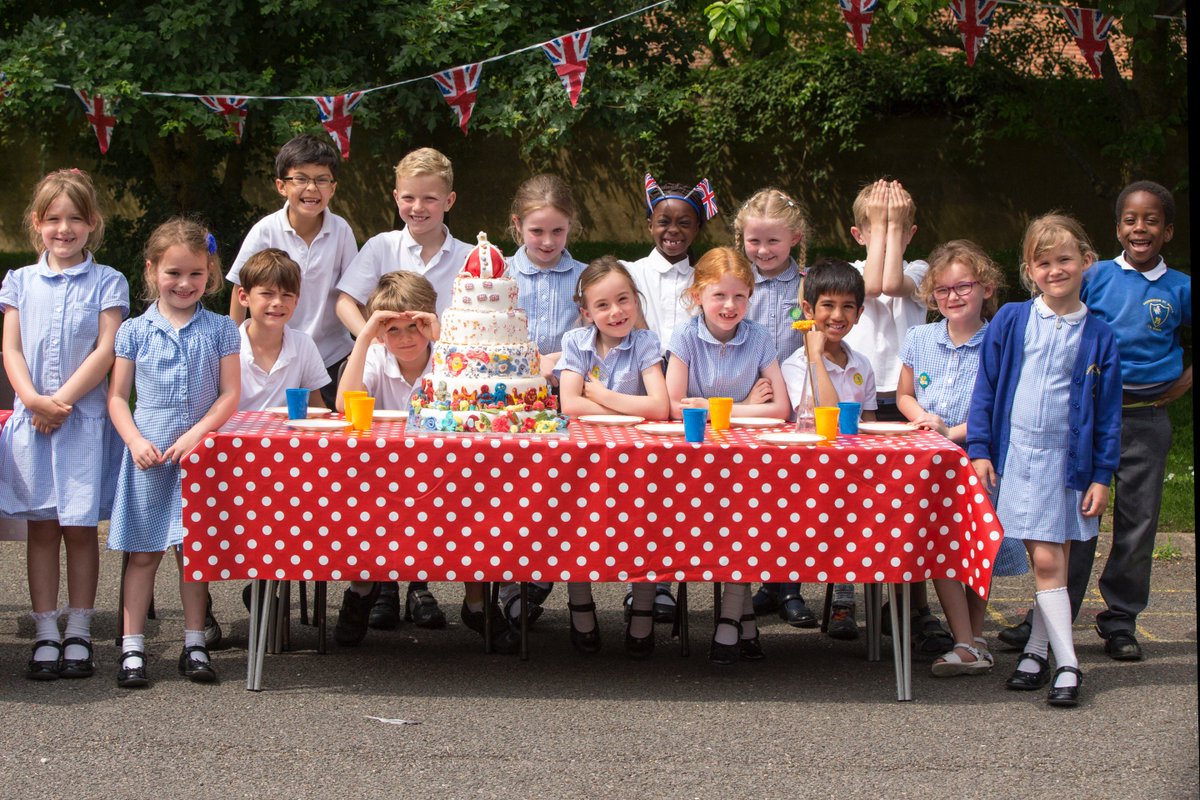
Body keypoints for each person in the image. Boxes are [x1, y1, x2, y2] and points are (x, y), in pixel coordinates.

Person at [999, 181, 1191, 661]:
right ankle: (1051, 618)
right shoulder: (1097, 275)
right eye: (1130, 220)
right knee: (1075, 522)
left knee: (1138, 523)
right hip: (1083, 421)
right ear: (1117, 228)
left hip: (1146, 418)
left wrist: (1183, 383)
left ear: (1167, 231)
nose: (1139, 228)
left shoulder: (1181, 288)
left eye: (1151, 221)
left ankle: (1121, 620)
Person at [967, 213, 1122, 707]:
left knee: (1058, 558)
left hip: (1069, 464)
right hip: (1021, 460)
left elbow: (1108, 416)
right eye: (1043, 262)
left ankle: (1041, 655)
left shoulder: (1099, 335)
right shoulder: (1012, 319)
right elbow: (986, 388)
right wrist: (979, 449)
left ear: (1086, 263)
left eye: (1065, 260)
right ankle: (1066, 662)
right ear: (1030, 270)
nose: (1055, 270)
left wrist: (1102, 475)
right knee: (1048, 559)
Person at [333, 273, 520, 653]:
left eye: (414, 328)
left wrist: (443, 338)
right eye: (394, 330)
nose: (405, 338)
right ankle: (362, 589)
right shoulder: (375, 354)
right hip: (384, 479)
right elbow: (343, 405)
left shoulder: (449, 357)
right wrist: (366, 336)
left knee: (474, 513)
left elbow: (479, 395)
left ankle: (476, 603)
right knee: (359, 510)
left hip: (446, 476)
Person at [0, 169, 128, 680]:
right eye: (53, 219)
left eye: (75, 218)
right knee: (42, 529)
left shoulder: (108, 281)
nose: (64, 228)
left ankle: (79, 628)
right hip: (34, 420)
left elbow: (107, 348)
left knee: (79, 529)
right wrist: (32, 400)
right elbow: (10, 346)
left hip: (82, 422)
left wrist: (63, 402)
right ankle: (46, 630)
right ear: (37, 224)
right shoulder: (19, 281)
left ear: (92, 223)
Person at [107, 218, 241, 688]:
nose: (185, 284)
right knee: (143, 554)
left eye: (196, 275)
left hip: (197, 459)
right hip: (149, 457)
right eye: (173, 274)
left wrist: (197, 436)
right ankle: (132, 648)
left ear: (211, 274)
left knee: (194, 552)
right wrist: (135, 441)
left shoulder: (223, 329)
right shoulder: (133, 332)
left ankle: (195, 642)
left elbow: (229, 395)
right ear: (152, 271)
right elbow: (117, 398)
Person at [896, 240, 1020, 676]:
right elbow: (905, 393)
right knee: (944, 549)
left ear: (985, 288)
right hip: (931, 461)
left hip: (977, 457)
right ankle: (966, 640)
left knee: (974, 548)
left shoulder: (999, 342)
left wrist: (953, 431)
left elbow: (1000, 409)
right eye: (943, 290)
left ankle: (975, 636)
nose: (953, 297)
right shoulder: (920, 337)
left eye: (963, 287)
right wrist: (922, 419)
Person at [665, 247, 791, 664]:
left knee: (748, 527)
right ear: (697, 294)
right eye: (719, 295)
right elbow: (673, 406)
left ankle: (732, 618)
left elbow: (780, 409)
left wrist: (714, 405)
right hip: (695, 459)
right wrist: (743, 404)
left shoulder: (757, 337)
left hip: (747, 459)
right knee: (713, 534)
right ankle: (744, 623)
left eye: (740, 296)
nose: (730, 305)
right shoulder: (685, 337)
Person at [841, 178, 950, 655]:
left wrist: (888, 223)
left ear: (913, 234)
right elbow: (871, 286)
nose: (888, 233)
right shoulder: (847, 270)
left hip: (905, 399)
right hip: (859, 397)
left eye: (902, 228)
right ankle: (844, 592)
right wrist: (887, 221)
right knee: (850, 496)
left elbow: (890, 283)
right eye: (875, 226)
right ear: (857, 233)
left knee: (908, 506)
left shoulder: (923, 269)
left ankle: (912, 605)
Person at [556, 256, 669, 657]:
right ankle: (580, 607)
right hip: (585, 459)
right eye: (602, 305)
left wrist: (602, 396)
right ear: (586, 312)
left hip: (639, 460)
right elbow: (569, 404)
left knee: (642, 529)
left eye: (623, 300)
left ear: (636, 301)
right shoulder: (575, 343)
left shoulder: (646, 343)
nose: (616, 312)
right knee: (578, 526)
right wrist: (629, 412)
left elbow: (659, 407)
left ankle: (642, 611)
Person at [621, 173, 719, 623]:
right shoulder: (631, 272)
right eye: (664, 221)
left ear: (698, 229)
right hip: (638, 385)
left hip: (686, 387)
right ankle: (639, 583)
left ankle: (664, 580)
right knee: (638, 488)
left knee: (675, 490)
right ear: (648, 225)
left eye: (684, 223)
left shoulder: (706, 277)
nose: (673, 231)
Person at [496, 174, 588, 624]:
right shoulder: (500, 276)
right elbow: (489, 340)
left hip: (573, 399)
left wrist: (561, 361)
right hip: (513, 405)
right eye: (537, 231)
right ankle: (514, 584)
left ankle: (550, 576)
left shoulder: (585, 277)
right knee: (517, 496)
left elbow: (600, 335)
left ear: (571, 226)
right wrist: (539, 361)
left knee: (564, 495)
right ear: (517, 226)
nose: (548, 240)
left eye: (558, 230)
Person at [781, 258, 877, 641]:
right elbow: (829, 415)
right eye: (828, 306)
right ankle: (790, 590)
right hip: (808, 473)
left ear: (859, 312)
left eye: (848, 307)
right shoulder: (795, 364)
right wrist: (815, 356)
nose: (837, 316)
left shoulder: (862, 364)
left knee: (859, 508)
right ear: (808, 310)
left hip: (852, 472)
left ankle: (844, 598)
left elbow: (867, 421)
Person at [735, 187, 818, 629]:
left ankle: (787, 588)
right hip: (747, 404)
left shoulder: (807, 282)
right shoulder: (736, 280)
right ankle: (751, 582)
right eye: (754, 241)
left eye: (773, 241)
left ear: (795, 238)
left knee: (788, 500)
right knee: (750, 501)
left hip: (793, 405)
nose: (763, 250)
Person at [226, 134, 357, 408]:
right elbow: (241, 287)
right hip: (276, 356)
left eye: (322, 179)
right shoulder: (265, 230)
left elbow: (352, 293)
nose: (312, 188)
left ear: (333, 188)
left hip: (331, 355)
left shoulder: (341, 231)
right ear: (281, 186)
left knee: (325, 435)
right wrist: (231, 346)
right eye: (300, 178)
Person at [334, 146, 471, 331]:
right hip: (391, 358)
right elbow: (345, 303)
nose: (417, 207)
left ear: (449, 201)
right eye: (408, 198)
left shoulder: (470, 257)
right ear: (396, 198)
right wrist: (372, 342)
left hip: (450, 359)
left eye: (429, 199)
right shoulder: (381, 246)